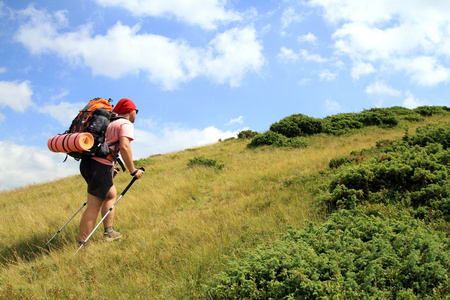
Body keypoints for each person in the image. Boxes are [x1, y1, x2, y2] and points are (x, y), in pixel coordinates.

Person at [78, 98, 144, 245]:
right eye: (136, 111)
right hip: (99, 166)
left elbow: (104, 145)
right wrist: (133, 170)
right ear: (129, 111)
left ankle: (109, 231)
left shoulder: (108, 123)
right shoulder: (125, 123)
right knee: (94, 205)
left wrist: (110, 166)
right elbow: (125, 146)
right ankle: (83, 245)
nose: (136, 114)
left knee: (110, 195)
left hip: (89, 163)